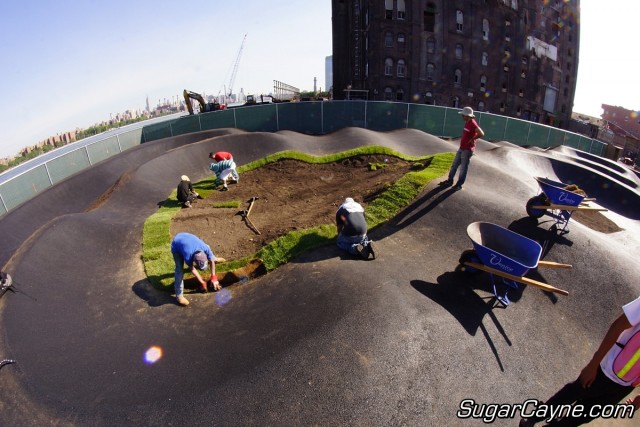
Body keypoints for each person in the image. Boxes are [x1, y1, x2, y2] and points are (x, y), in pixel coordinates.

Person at [520, 296, 640, 426]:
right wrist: (593, 364)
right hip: (606, 369)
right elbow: (617, 326)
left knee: (582, 417)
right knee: (572, 393)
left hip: (625, 386)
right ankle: (533, 419)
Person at [170, 232, 225, 306]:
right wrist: (202, 282)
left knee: (211, 257)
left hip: (187, 236)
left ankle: (214, 258)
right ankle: (179, 296)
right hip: (177, 244)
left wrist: (214, 278)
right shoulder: (188, 256)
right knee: (179, 270)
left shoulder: (205, 248)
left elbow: (211, 261)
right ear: (194, 261)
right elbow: (192, 269)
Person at [441, 106, 484, 191]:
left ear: (468, 116)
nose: (462, 117)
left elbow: (481, 133)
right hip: (462, 148)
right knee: (454, 165)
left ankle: (459, 185)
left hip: (467, 150)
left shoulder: (472, 123)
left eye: (463, 115)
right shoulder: (467, 122)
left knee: (463, 168)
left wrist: (473, 139)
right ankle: (450, 181)